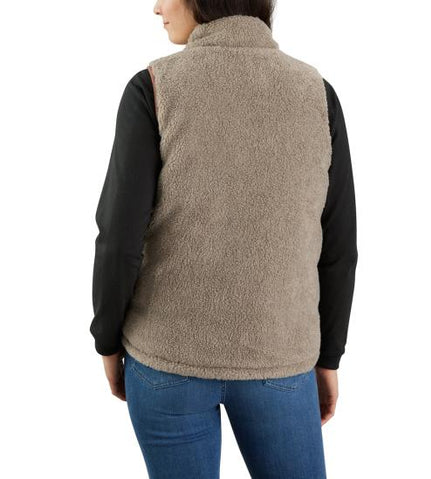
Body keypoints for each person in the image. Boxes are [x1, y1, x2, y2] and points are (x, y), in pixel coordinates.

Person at [89, 1, 358, 478]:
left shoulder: (154, 87)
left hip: (166, 360)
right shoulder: (316, 92)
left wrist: (106, 340)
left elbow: (119, 237)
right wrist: (328, 356)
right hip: (280, 359)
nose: (156, 7)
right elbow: (338, 242)